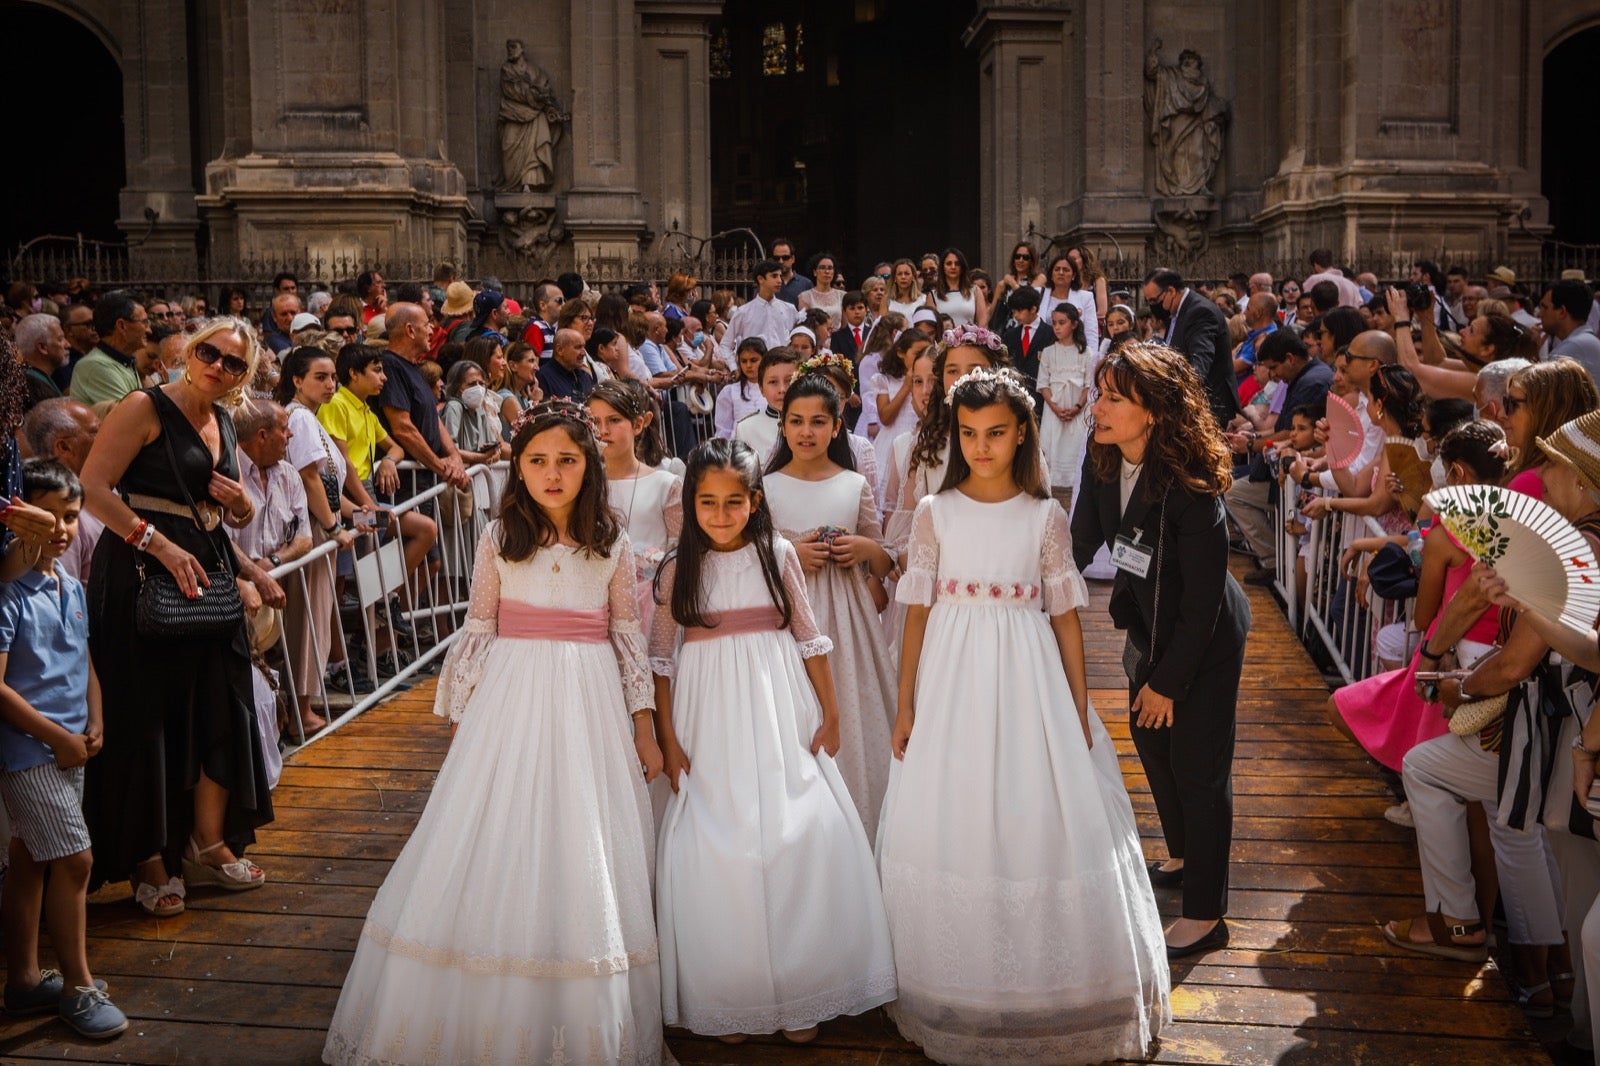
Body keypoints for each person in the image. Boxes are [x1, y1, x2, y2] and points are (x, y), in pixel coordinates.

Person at [323, 400, 665, 1065]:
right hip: (511, 698)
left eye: (567, 460)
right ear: (519, 468)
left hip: (591, 702)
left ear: (587, 466)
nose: (553, 474)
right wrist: (462, 721)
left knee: (582, 830)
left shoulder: (613, 543)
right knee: (500, 824)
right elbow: (478, 631)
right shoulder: (497, 538)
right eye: (537, 461)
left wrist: (644, 727)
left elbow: (628, 639)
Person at [880, 366, 1169, 1063]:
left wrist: (1079, 702)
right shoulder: (933, 512)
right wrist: (905, 703)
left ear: (1021, 435)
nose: (981, 447)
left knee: (1032, 809)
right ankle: (958, 980)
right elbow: (915, 614)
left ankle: (1048, 985)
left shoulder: (1044, 516)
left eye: (997, 434)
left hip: (1026, 670)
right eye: (969, 434)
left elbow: (1068, 616)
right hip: (951, 673)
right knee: (957, 811)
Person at [649, 438, 896, 1044]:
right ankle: (734, 993)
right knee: (721, 841)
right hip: (707, 715)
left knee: (793, 831)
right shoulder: (680, 567)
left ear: (755, 502)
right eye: (707, 502)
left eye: (734, 502)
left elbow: (810, 638)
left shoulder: (778, 554)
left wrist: (831, 714)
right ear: (691, 503)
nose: (721, 514)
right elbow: (659, 659)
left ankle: (801, 986)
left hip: (778, 702)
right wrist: (667, 738)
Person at [79, 319, 278, 918]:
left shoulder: (222, 421)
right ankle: (148, 857)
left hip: (208, 576)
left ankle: (206, 842)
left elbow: (223, 515)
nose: (218, 365)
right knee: (149, 715)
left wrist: (247, 545)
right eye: (209, 352)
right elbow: (92, 486)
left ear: (244, 376)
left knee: (223, 705)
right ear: (191, 352)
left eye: (233, 363)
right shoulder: (144, 405)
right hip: (142, 577)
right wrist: (156, 544)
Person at [1071, 342, 1251, 957]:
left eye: (1113, 398)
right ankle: (1181, 853)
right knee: (1150, 740)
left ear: (1153, 412)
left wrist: (1170, 683)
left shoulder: (1192, 488)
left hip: (1204, 640)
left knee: (1199, 768)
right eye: (1101, 393)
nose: (1097, 406)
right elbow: (1079, 541)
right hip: (1148, 627)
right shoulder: (1102, 455)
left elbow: (1202, 604)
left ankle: (1207, 912)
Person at [0, 459, 128, 1039]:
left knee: (31, 856)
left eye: (70, 516)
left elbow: (84, 661)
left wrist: (94, 720)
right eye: (46, 514)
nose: (59, 527)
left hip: (70, 744)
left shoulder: (69, 585)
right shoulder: (8, 593)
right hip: (29, 752)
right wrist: (56, 737)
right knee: (75, 860)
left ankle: (25, 980)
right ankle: (78, 987)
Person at [762, 375, 895, 841]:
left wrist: (862, 547)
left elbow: (884, 559)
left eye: (818, 422)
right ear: (782, 425)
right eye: (795, 421)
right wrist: (790, 551)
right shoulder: (766, 486)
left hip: (849, 622)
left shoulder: (854, 483)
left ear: (837, 427)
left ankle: (858, 824)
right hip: (787, 619)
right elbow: (750, 555)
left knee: (854, 712)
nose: (806, 432)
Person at [588, 380, 682, 632]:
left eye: (614, 420)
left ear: (638, 424)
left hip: (653, 603)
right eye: (595, 422)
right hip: (598, 604)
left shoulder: (666, 484)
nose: (603, 431)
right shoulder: (585, 487)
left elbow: (677, 551)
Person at [1142, 269, 1239, 429]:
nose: (1153, 306)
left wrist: (1177, 394)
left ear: (1171, 291)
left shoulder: (1199, 312)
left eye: (1154, 300)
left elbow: (1199, 363)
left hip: (1209, 407)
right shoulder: (1176, 312)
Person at [1037, 302, 1094, 509]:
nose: (1057, 327)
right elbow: (1043, 383)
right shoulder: (1049, 352)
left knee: (1074, 453)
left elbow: (1089, 384)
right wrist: (1055, 407)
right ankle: (1052, 502)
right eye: (1054, 323)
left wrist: (1078, 407)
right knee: (1053, 451)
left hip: (1077, 413)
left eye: (1062, 323)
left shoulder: (1087, 353)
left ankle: (1074, 501)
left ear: (1074, 324)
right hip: (1055, 412)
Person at [70, 291, 150, 408]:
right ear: (122, 326)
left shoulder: (125, 360)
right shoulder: (96, 366)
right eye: (144, 322)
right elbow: (133, 415)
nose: (149, 330)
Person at [714, 259, 797, 371]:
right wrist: (734, 368)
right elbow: (725, 345)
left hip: (782, 368)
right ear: (760, 279)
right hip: (753, 372)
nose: (779, 280)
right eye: (774, 276)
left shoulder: (789, 309)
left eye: (780, 276)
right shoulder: (743, 312)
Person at [869, 328, 922, 499]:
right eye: (917, 353)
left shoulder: (929, 381)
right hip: (891, 443)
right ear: (901, 353)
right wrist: (907, 385)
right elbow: (885, 417)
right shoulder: (884, 380)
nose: (922, 358)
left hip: (920, 441)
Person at [734, 347, 798, 461]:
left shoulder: (815, 424)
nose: (782, 389)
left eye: (789, 380)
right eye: (773, 382)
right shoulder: (747, 429)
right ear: (762, 389)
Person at [1039, 253, 1101, 355]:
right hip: (1044, 353)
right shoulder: (1039, 294)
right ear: (1051, 274)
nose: (1061, 273)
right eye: (1057, 269)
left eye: (1066, 270)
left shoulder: (1086, 297)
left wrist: (1091, 362)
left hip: (1075, 355)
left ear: (1074, 275)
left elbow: (1091, 333)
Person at [713, 337, 766, 440]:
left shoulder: (774, 389)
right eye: (744, 361)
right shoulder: (730, 392)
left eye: (753, 360)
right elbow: (723, 430)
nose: (748, 365)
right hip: (740, 447)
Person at [926, 247, 987, 329]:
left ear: (962, 267)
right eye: (949, 263)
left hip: (970, 340)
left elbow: (982, 323)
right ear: (943, 267)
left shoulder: (975, 291)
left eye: (957, 263)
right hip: (943, 341)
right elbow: (930, 326)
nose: (953, 267)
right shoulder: (933, 295)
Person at [795, 252, 844, 331]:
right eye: (822, 267)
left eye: (830, 268)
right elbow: (805, 325)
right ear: (814, 272)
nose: (827, 271)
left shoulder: (842, 296)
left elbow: (845, 325)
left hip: (838, 340)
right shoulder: (805, 296)